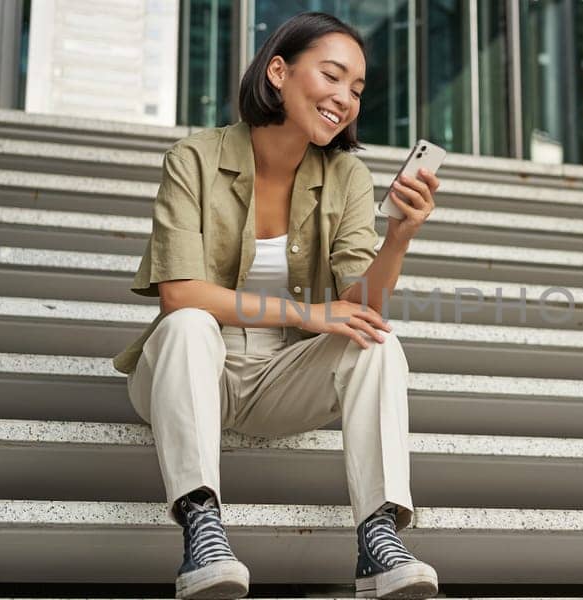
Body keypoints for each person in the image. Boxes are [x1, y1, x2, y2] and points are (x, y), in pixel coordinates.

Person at [111, 11, 443, 600]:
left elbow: (357, 307)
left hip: (279, 379)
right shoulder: (194, 158)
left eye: (357, 89)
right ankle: (202, 528)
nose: (345, 98)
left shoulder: (347, 177)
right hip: (188, 366)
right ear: (278, 72)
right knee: (189, 323)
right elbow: (179, 294)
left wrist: (399, 235)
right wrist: (306, 315)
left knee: (377, 340)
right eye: (332, 76)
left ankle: (378, 537)